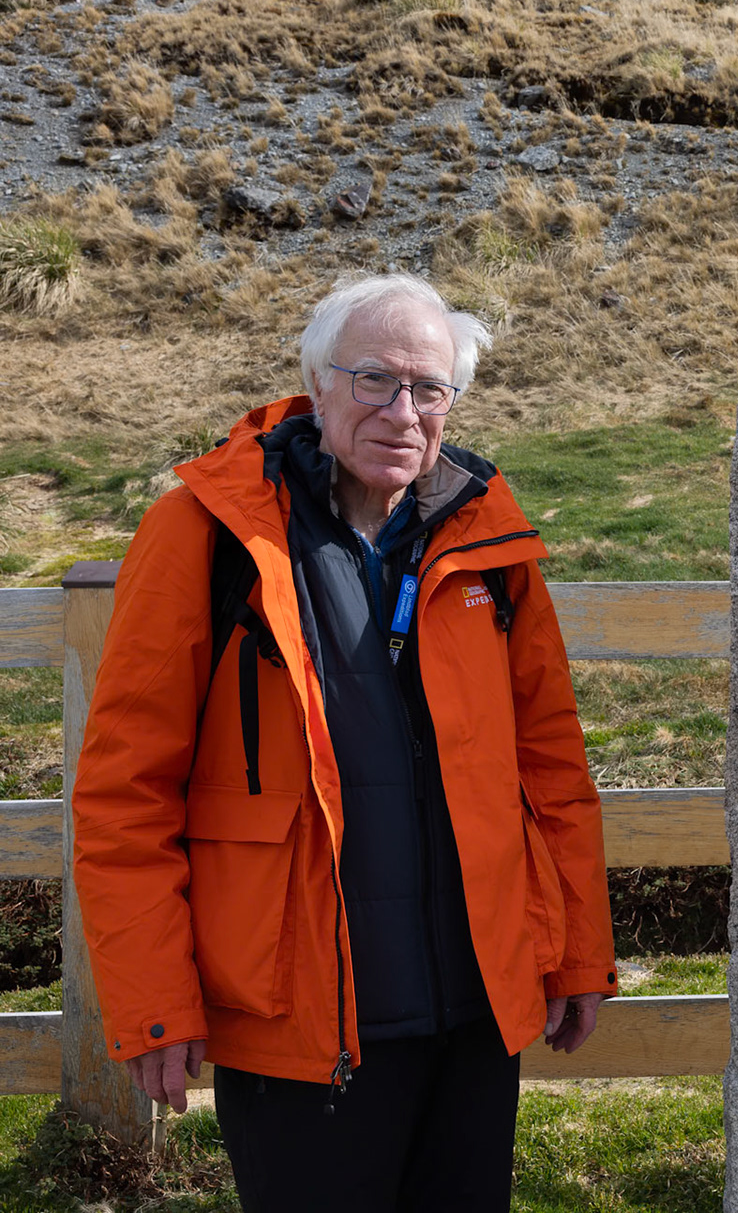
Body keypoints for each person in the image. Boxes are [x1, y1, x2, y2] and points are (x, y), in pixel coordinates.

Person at [71, 273, 618, 1212]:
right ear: (316, 386)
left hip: (471, 1011)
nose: (403, 411)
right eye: (375, 380)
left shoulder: (487, 530)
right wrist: (155, 1001)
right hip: (300, 1018)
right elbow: (127, 792)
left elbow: (551, 765)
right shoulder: (208, 535)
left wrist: (575, 954)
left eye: (430, 389)